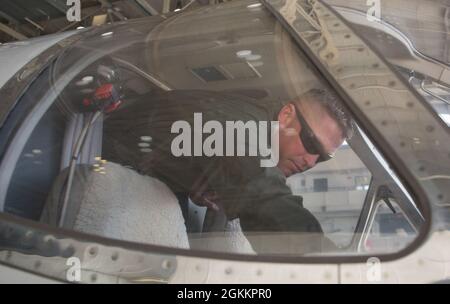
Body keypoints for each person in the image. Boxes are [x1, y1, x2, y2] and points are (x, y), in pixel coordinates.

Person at [102, 87, 354, 254]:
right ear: (287, 115)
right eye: (310, 143)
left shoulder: (253, 135)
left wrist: (191, 179)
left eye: (320, 158)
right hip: (93, 153)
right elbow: (268, 201)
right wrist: (332, 271)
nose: (310, 162)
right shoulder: (240, 130)